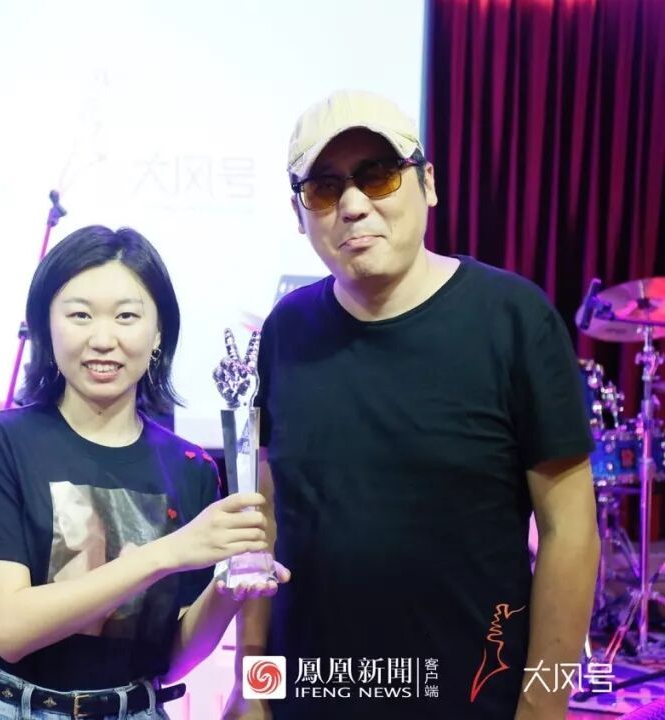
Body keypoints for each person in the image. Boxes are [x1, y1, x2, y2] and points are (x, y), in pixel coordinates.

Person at [222, 90, 600, 720]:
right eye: (324, 188)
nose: (352, 205)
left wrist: (542, 708)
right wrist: (254, 684)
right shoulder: (287, 329)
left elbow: (570, 532)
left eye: (377, 175)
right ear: (299, 214)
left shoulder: (513, 319)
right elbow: (267, 518)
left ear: (428, 184)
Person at [0, 225, 289, 720]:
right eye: (80, 315)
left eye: (127, 316)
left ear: (159, 332)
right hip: (10, 707)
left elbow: (171, 659)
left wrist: (227, 590)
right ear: (45, 326)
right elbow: (11, 630)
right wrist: (166, 553)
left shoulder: (189, 468)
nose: (103, 340)